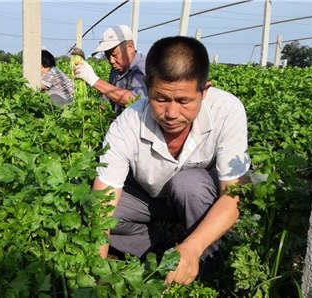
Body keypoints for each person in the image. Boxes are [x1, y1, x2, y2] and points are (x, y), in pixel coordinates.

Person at [92, 36, 251, 285]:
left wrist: (193, 247)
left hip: (195, 199)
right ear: (147, 86)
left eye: (183, 101)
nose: (171, 113)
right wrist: (94, 278)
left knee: (190, 184)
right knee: (101, 211)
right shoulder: (128, 124)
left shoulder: (227, 110)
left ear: (204, 90)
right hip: (149, 200)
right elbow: (103, 205)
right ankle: (161, 247)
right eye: (161, 99)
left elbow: (233, 194)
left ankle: (204, 268)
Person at [74, 25, 146, 115]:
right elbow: (109, 99)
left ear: (130, 47)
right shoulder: (116, 70)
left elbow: (135, 100)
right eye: (107, 56)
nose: (111, 61)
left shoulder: (143, 68)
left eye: (114, 55)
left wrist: (94, 81)